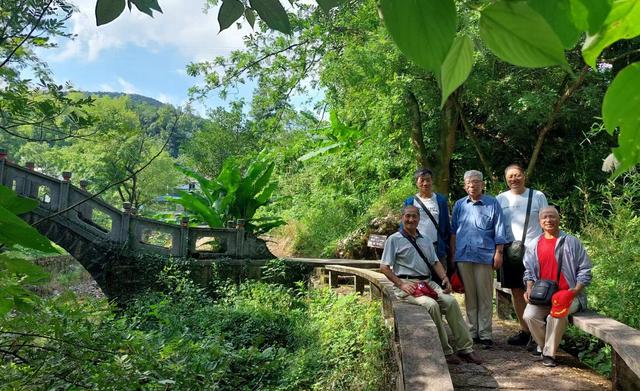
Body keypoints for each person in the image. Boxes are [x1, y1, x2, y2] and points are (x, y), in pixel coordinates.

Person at [381, 205, 481, 365]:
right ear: (402, 218)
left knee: (451, 302)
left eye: (414, 216)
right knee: (431, 305)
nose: (411, 219)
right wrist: (401, 284)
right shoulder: (394, 239)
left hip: (428, 282)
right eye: (407, 216)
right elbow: (384, 267)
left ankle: (466, 348)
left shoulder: (426, 239)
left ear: (419, 218)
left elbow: (435, 262)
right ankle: (446, 351)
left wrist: (445, 278)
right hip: (408, 284)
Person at [523, 206, 592, 367]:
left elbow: (585, 270)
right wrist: (529, 288)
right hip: (543, 294)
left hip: (568, 294)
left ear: (559, 219)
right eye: (545, 217)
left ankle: (548, 354)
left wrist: (575, 291)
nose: (549, 220)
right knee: (529, 316)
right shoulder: (534, 244)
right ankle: (544, 345)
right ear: (540, 222)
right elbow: (529, 271)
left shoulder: (571, 242)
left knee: (555, 315)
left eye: (552, 216)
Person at [450, 170, 508, 347]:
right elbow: (453, 231)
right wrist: (453, 254)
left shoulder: (492, 203)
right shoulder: (460, 204)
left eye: (475, 182)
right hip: (463, 255)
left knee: (484, 295)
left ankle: (485, 333)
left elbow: (500, 230)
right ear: (464, 185)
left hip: (485, 255)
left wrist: (499, 253)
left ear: (482, 184)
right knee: (470, 295)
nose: (472, 185)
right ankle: (472, 331)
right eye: (468, 183)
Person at [496, 164, 548, 347]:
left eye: (517, 175)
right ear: (506, 179)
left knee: (536, 291)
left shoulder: (538, 196)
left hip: (534, 251)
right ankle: (525, 331)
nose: (514, 179)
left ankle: (538, 333)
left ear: (524, 176)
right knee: (517, 292)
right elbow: (497, 227)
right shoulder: (500, 199)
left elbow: (546, 221)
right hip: (510, 252)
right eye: (510, 176)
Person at [403, 168, 453, 273]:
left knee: (440, 281)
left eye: (428, 180)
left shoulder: (440, 200)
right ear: (416, 182)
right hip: (416, 246)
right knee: (419, 279)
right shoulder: (410, 201)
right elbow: (404, 225)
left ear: (432, 181)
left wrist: (449, 249)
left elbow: (446, 227)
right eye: (422, 180)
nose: (425, 183)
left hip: (436, 247)